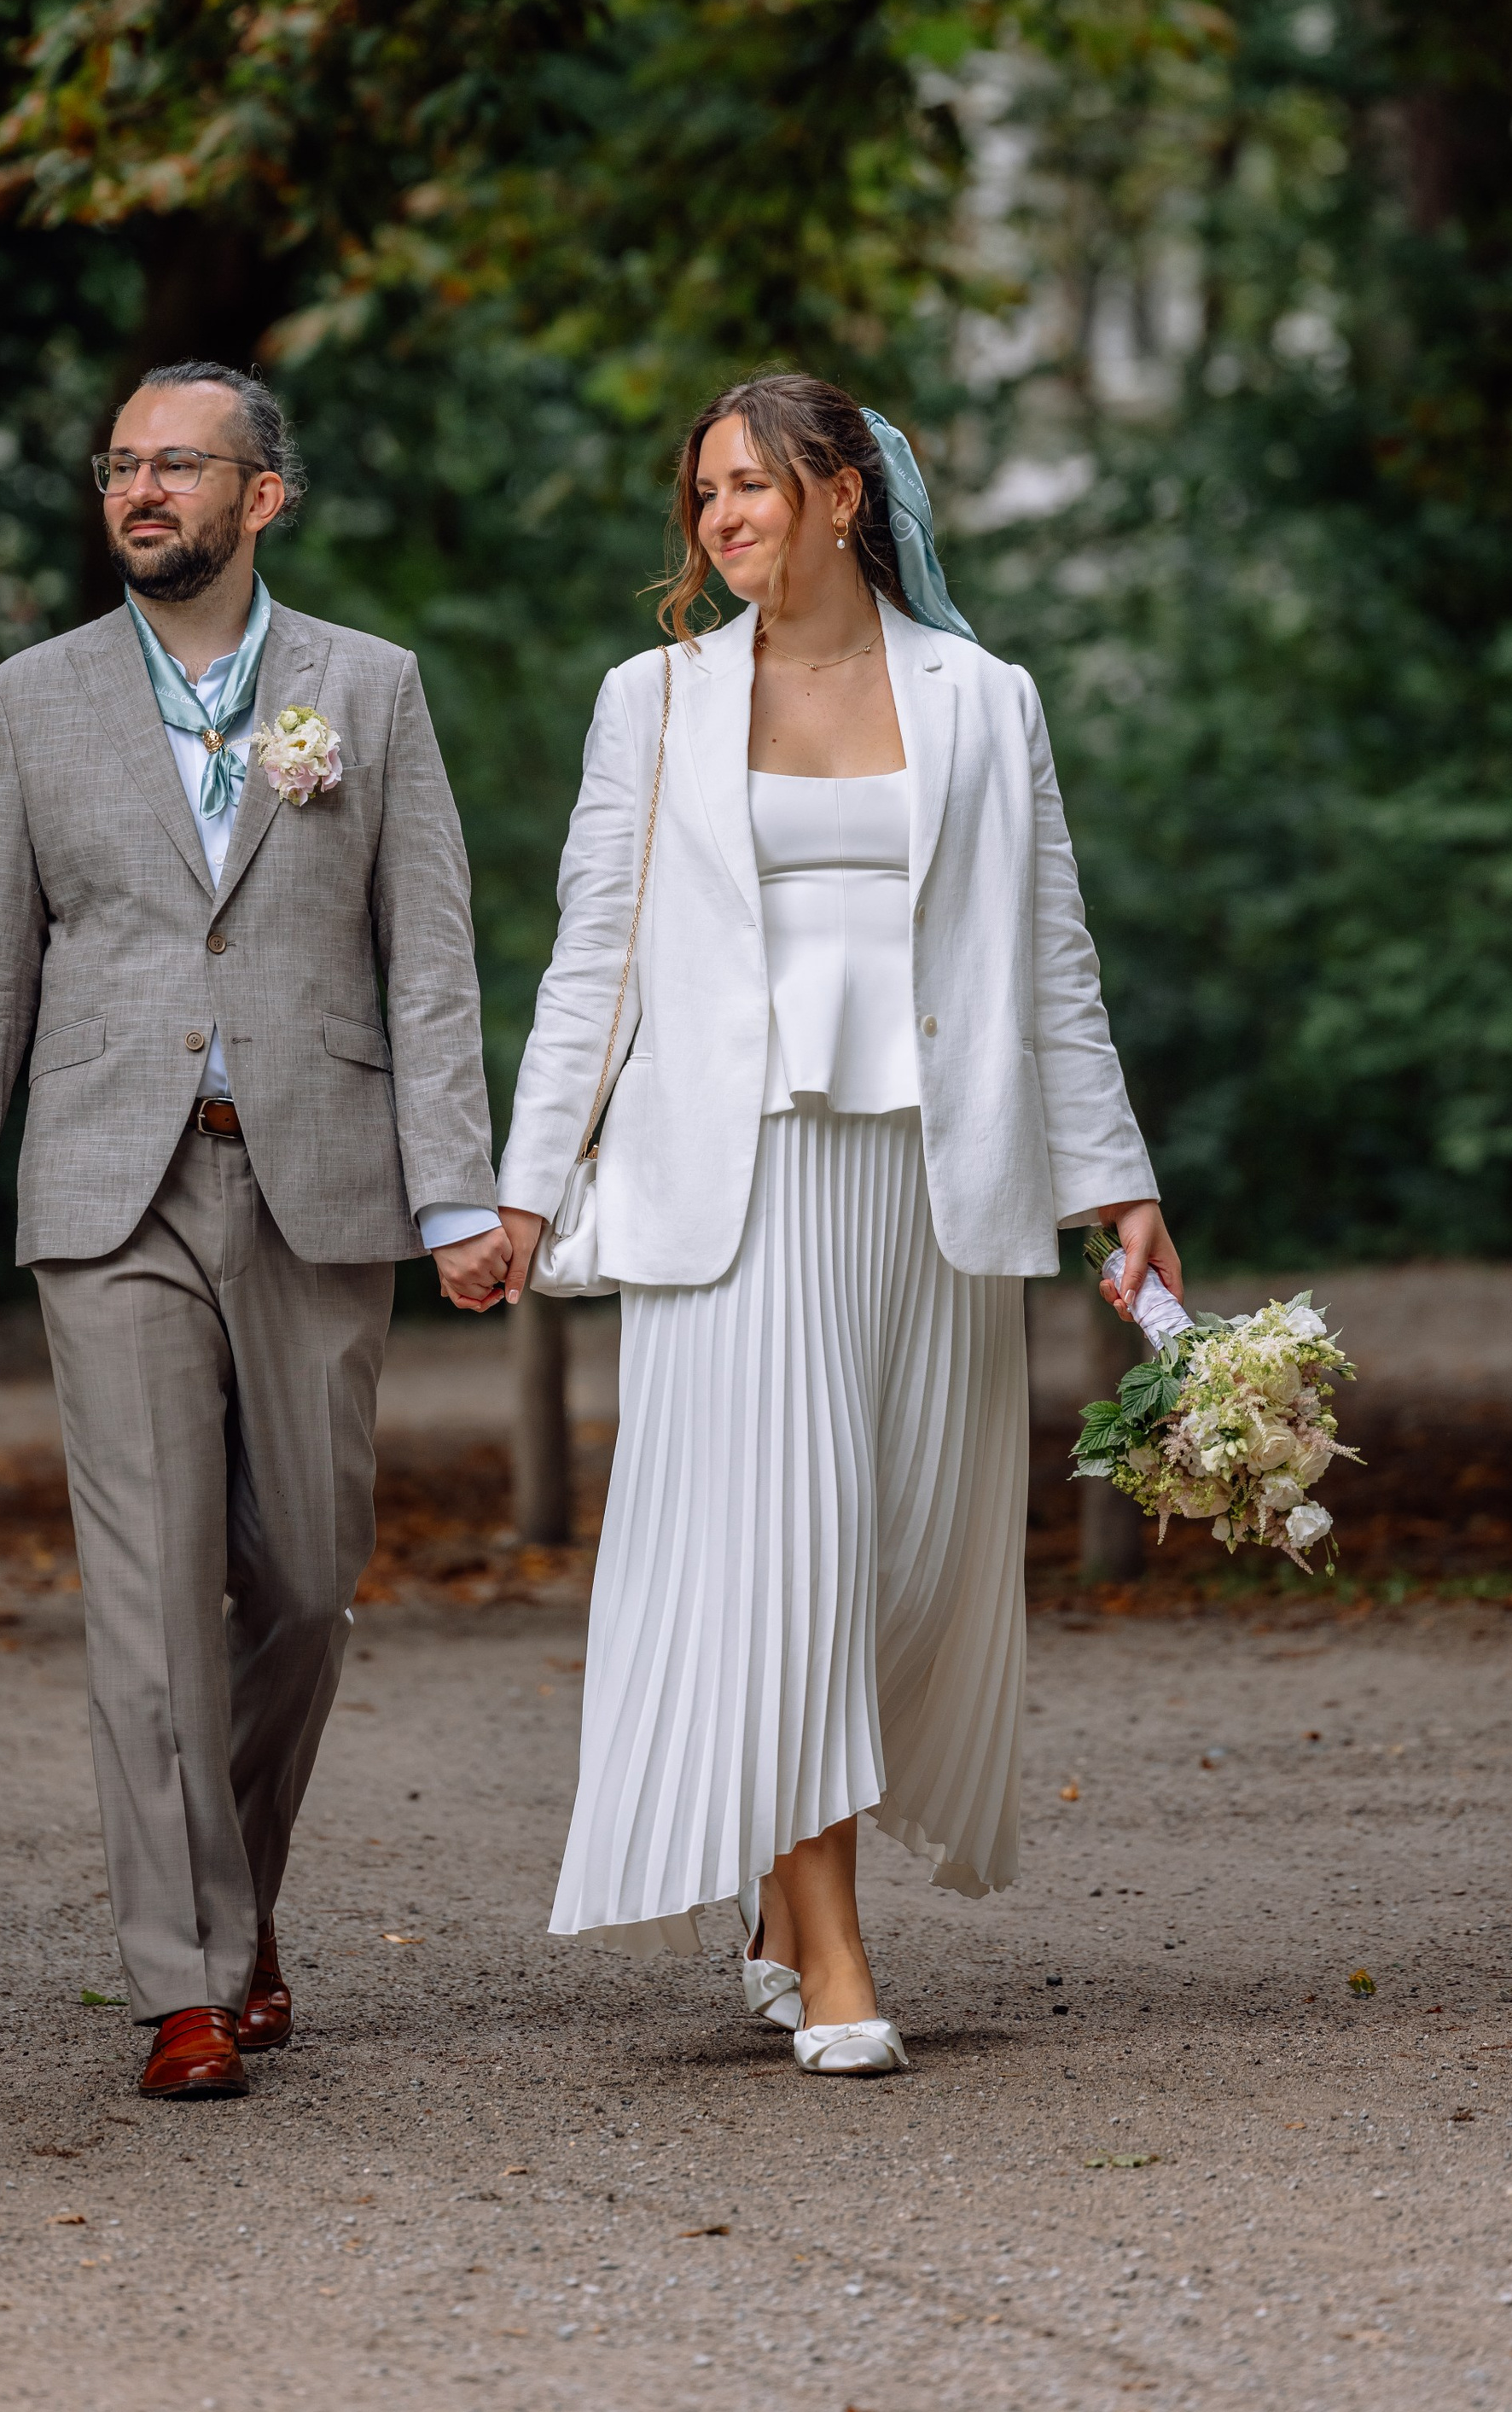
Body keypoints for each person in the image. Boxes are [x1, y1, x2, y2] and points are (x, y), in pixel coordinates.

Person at [495, 376, 1177, 2077]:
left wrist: (1115, 1179)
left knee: (900, 1560)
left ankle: (777, 1882)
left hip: (932, 1182)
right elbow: (591, 956)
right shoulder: (648, 700)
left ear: (841, 496)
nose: (717, 517)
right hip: (734, 1186)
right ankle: (837, 1951)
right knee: (777, 1553)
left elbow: (1050, 960)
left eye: (747, 485)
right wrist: (522, 1182)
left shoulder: (981, 696)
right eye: (700, 493)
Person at [0, 363, 509, 2100]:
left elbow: (432, 952)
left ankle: (232, 1897)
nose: (141, 488)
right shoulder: (30, 703)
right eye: (121, 464)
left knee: (308, 1582)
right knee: (151, 1596)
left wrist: (453, 1186)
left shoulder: (368, 690)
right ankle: (184, 1974)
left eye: (179, 463)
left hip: (317, 1173)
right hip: (109, 1189)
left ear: (264, 495)